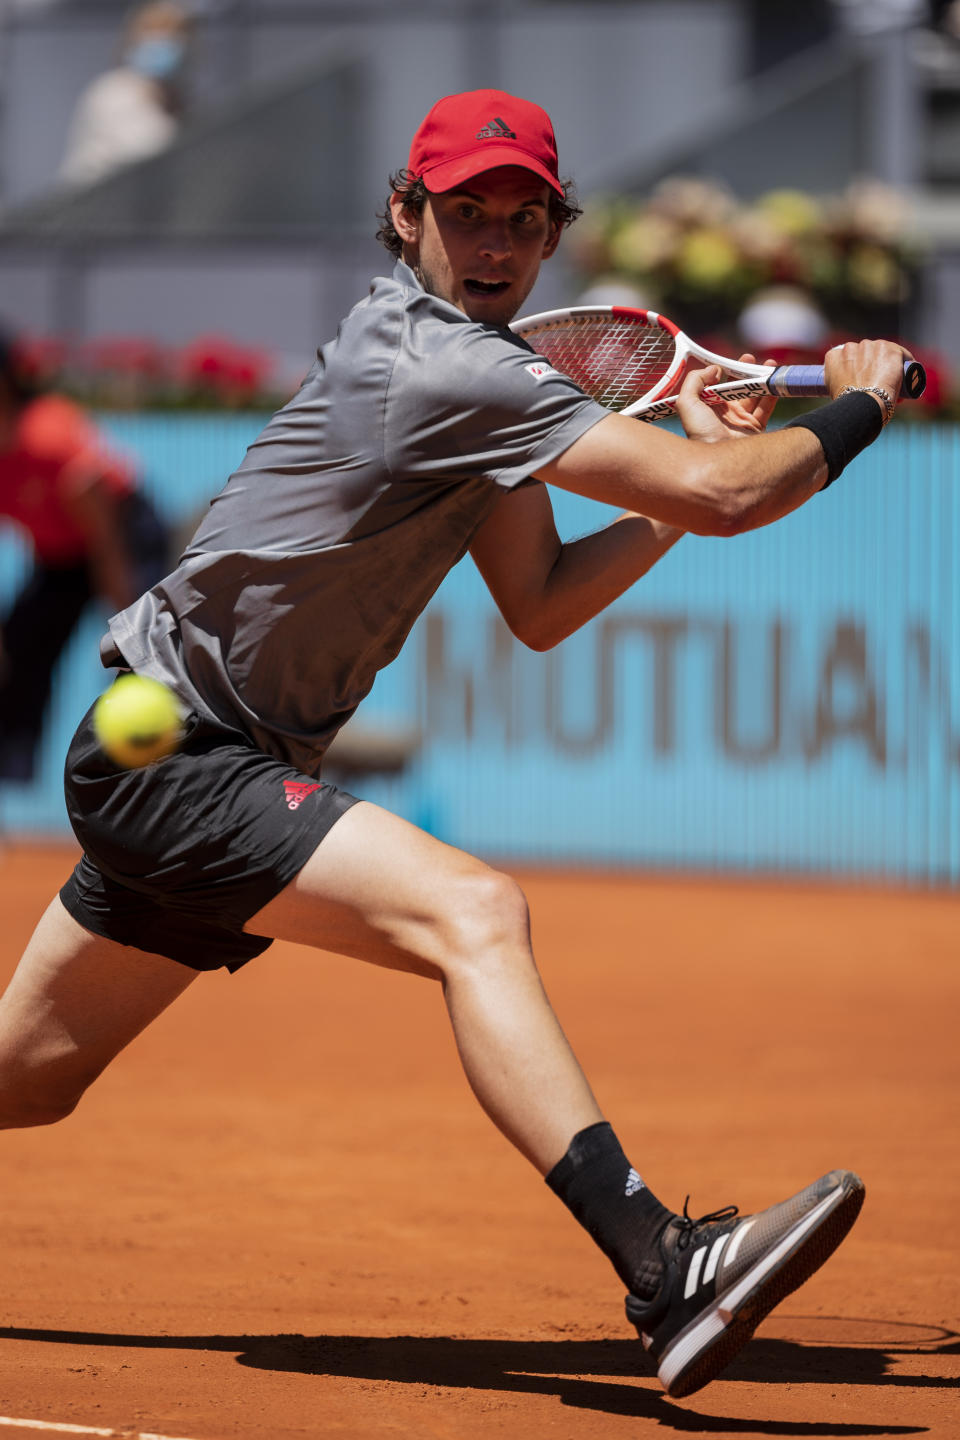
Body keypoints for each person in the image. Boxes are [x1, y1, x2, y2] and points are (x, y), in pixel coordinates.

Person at [0, 90, 909, 1399]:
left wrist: (699, 481)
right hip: (182, 761)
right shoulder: (449, 366)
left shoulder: (488, 384)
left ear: (551, 234)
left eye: (522, 219)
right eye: (464, 214)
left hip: (190, 761)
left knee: (28, 1086)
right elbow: (724, 498)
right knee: (474, 913)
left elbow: (538, 607)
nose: (493, 243)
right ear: (405, 216)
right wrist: (857, 408)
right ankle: (669, 1269)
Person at [0, 328, 170, 781]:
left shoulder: (46, 433)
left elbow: (103, 532)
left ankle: (149, 774)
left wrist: (124, 610)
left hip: (124, 534)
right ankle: (10, 777)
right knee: (16, 652)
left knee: (144, 650)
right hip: (60, 557)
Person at [59, 2, 193, 189]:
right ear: (133, 39)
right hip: (98, 206)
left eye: (175, 34)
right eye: (154, 31)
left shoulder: (177, 99)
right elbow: (147, 150)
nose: (165, 40)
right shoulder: (112, 93)